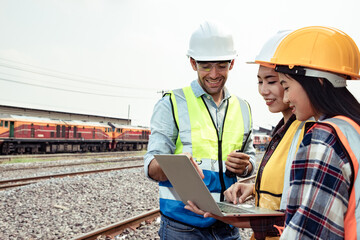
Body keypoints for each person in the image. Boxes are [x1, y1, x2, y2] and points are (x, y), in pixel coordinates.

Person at [189, 26, 360, 239]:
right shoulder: (351, 128)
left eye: (283, 85)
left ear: (316, 82)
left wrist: (230, 217)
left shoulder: (323, 137)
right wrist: (254, 189)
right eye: (261, 81)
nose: (285, 97)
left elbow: (308, 230)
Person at [186, 30, 311, 240]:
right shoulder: (284, 129)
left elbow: (300, 209)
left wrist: (222, 215)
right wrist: (254, 188)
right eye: (260, 82)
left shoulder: (307, 131)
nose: (263, 90)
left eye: (271, 81)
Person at [143, 21, 256, 239]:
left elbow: (250, 162)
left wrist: (245, 166)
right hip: (182, 228)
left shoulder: (243, 108)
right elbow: (150, 167)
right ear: (193, 63)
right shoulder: (172, 103)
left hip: (227, 226)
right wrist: (176, 166)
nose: (214, 74)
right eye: (206, 66)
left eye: (221, 66)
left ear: (232, 63)